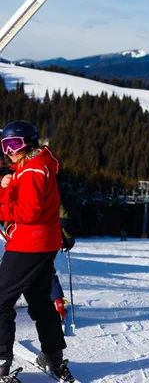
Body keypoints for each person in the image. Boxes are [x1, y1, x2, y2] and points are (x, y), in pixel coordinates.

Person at [0, 121, 74, 381]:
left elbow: (28, 212)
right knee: (41, 301)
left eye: (15, 144)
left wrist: (4, 195)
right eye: (5, 145)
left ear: (28, 143)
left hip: (27, 244)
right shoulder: (39, 165)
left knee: (1, 301)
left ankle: (1, 364)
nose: (10, 151)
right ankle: (54, 358)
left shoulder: (31, 171)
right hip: (45, 244)